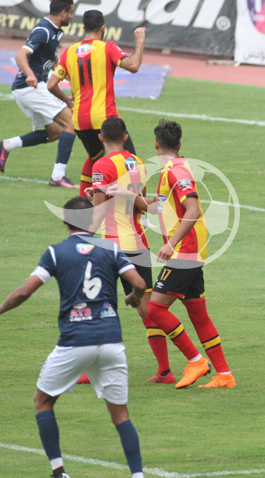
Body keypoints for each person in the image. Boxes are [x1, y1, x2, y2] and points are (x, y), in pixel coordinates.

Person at [0, 196, 147, 478]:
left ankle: (59, 472)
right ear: (92, 221)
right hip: (111, 340)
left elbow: (24, 292)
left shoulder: (55, 253)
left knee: (43, 401)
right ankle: (138, 475)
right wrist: (132, 297)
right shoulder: (111, 249)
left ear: (65, 221)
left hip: (75, 342)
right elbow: (140, 283)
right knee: (121, 415)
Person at [127, 120, 235, 389]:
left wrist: (171, 243)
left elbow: (194, 210)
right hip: (189, 250)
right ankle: (224, 375)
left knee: (155, 308)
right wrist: (123, 195)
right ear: (179, 144)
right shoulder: (170, 171)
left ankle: (196, 361)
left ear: (156, 144)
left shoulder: (176, 172)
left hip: (185, 250)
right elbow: (158, 208)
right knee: (199, 315)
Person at [88, 117, 175, 384]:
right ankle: (164, 370)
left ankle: (88, 369)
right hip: (138, 243)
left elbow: (102, 210)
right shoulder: (137, 163)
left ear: (100, 138)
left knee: (95, 306)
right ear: (126, 137)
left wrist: (81, 236)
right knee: (146, 310)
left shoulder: (101, 165)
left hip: (112, 244)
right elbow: (139, 204)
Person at [47, 9, 146, 198]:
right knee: (132, 163)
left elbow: (51, 85)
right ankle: (140, 211)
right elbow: (133, 66)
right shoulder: (107, 47)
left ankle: (83, 205)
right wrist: (140, 41)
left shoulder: (69, 52)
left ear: (84, 28)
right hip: (105, 118)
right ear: (103, 28)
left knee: (95, 159)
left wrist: (68, 100)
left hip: (81, 120)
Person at [0, 0, 77, 188]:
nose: (72, 16)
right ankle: (58, 177)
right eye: (71, 13)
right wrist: (30, 74)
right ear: (63, 12)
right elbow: (20, 55)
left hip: (29, 88)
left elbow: (51, 55)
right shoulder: (43, 30)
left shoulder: (55, 31)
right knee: (70, 122)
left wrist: (62, 71)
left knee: (54, 132)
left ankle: (5, 145)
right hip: (31, 87)